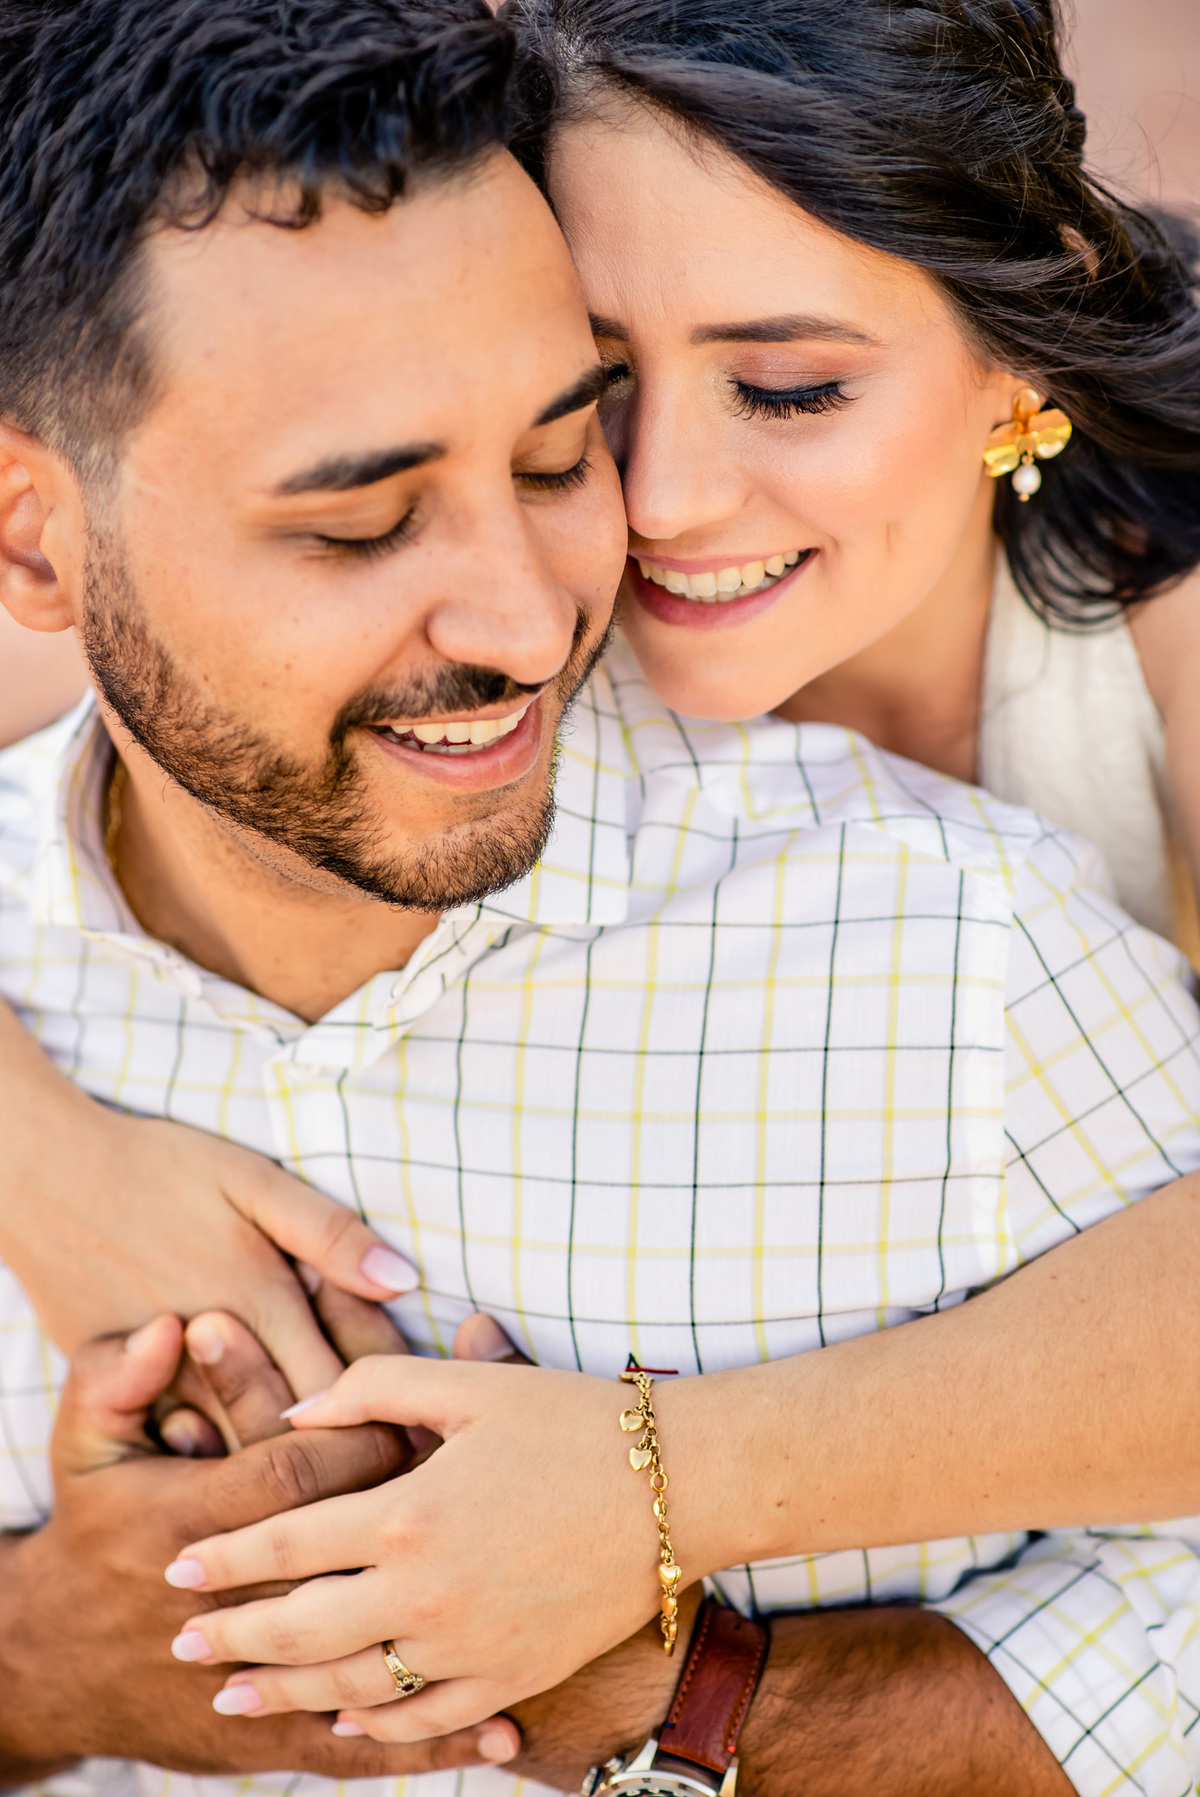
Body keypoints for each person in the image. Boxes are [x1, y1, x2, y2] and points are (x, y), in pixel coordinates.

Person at [2, 4, 1200, 1797]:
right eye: (601, 397)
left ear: (1014, 361)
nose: (652, 506)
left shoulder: (1000, 907)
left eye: (786, 386)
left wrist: (651, 1525)